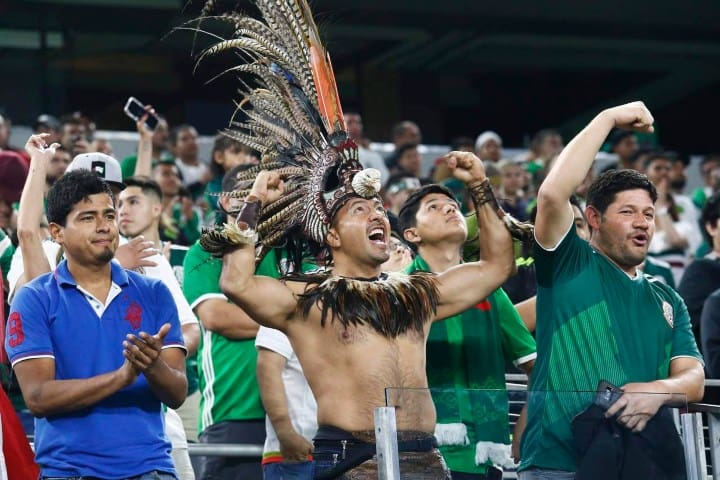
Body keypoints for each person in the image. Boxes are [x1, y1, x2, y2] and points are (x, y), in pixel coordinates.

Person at [519, 102, 705, 478]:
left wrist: (657, 390)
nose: (642, 224)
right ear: (593, 219)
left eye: (649, 214)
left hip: (637, 464)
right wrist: (608, 119)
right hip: (557, 464)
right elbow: (553, 195)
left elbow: (694, 377)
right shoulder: (570, 264)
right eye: (627, 212)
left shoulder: (667, 297)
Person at [5, 164, 187, 478]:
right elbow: (37, 397)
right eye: (87, 218)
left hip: (150, 468)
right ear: (57, 232)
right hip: (68, 471)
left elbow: (177, 394)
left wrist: (153, 365)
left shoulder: (154, 292)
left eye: (109, 215)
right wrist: (122, 377)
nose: (103, 226)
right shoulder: (34, 298)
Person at [399, 184, 536, 479]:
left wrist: (525, 425)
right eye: (433, 207)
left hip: (482, 459)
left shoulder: (490, 293)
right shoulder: (397, 292)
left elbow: (536, 365)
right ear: (412, 234)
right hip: (416, 454)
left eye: (453, 205)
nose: (449, 208)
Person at [183, 166, 268, 480]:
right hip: (233, 410)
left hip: (298, 412)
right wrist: (289, 323)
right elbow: (218, 317)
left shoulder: (290, 251)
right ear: (226, 202)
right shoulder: (206, 251)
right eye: (246, 191)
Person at [117, 176, 201, 479]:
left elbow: (192, 328)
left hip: (166, 404)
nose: (121, 210)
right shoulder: (61, 262)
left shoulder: (154, 259)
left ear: (156, 209)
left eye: (132, 201)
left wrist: (156, 359)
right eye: (119, 202)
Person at [256, 325, 318, 479]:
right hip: (294, 453)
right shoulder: (285, 310)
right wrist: (285, 432)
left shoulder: (347, 314)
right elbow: (267, 367)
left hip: (339, 451)